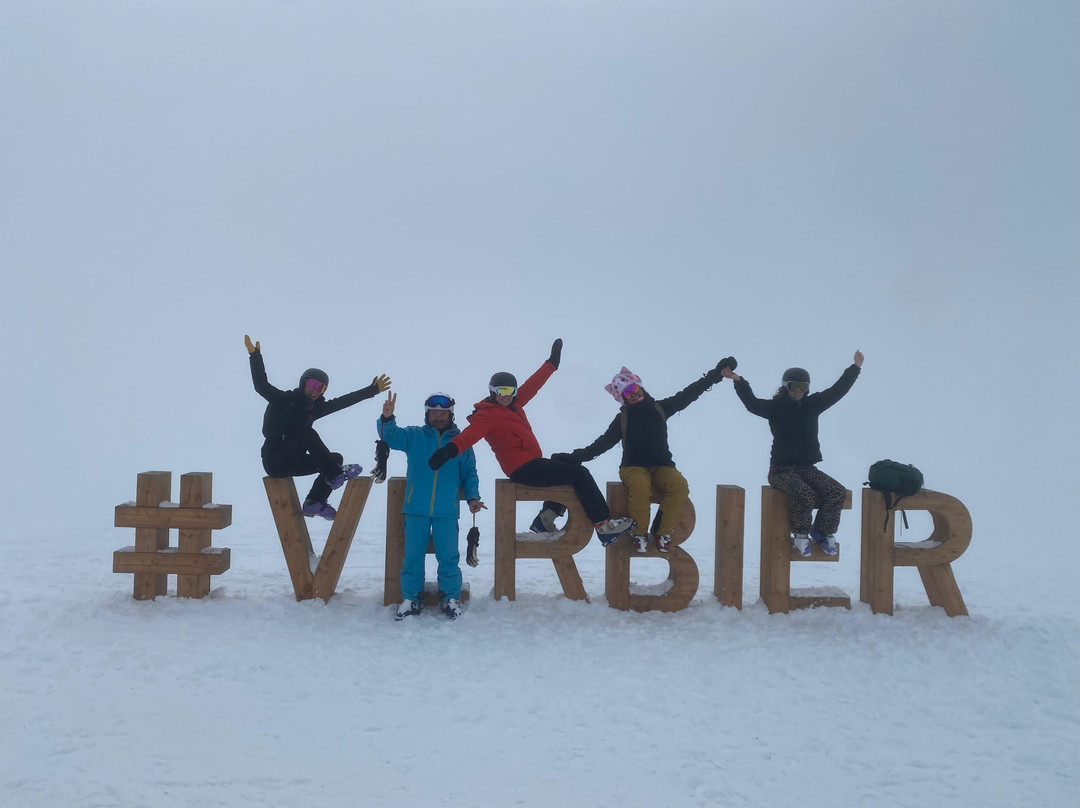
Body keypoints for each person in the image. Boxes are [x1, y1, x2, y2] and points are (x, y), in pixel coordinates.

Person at [427, 339, 635, 545]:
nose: (506, 396)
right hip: (522, 469)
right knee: (580, 474)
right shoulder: (487, 415)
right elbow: (469, 435)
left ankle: (545, 519)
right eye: (501, 391)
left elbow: (532, 385)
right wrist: (448, 451)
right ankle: (604, 525)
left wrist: (551, 364)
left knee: (564, 463)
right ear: (492, 391)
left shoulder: (514, 405)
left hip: (532, 463)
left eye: (510, 391)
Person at [550, 358, 736, 553]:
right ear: (622, 399)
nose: (634, 395)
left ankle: (661, 532)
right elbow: (600, 445)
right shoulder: (623, 419)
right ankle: (638, 533)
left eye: (634, 389)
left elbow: (689, 394)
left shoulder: (660, 408)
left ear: (639, 386)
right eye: (627, 394)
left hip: (663, 466)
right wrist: (571, 458)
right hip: (633, 467)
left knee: (679, 486)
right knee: (640, 487)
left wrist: (716, 374)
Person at [722, 350, 864, 556]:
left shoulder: (813, 405)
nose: (798, 391)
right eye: (793, 386)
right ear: (785, 386)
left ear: (807, 388)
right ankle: (800, 535)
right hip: (781, 470)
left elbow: (837, 391)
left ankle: (823, 532)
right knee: (805, 494)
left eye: (802, 387)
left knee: (836, 492)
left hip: (806, 468)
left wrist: (855, 368)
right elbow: (751, 403)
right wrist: (738, 381)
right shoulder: (776, 407)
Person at [246, 334, 391, 520]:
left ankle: (314, 501)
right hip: (274, 460)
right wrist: (254, 356)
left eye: (321, 388)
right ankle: (334, 475)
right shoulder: (285, 400)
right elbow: (261, 386)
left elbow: (343, 402)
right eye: (313, 384)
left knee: (334, 458)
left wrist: (371, 390)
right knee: (308, 435)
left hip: (293, 460)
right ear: (303, 383)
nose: (316, 390)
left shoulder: (314, 409)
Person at [378, 391, 484, 621]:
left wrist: (473, 497)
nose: (438, 417)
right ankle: (411, 599)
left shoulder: (461, 442)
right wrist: (387, 418)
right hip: (416, 509)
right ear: (427, 414)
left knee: (448, 557)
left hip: (447, 511)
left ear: (450, 415)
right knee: (413, 556)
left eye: (443, 413)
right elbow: (391, 437)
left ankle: (451, 598)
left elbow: (469, 473)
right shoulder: (415, 436)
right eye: (434, 413)